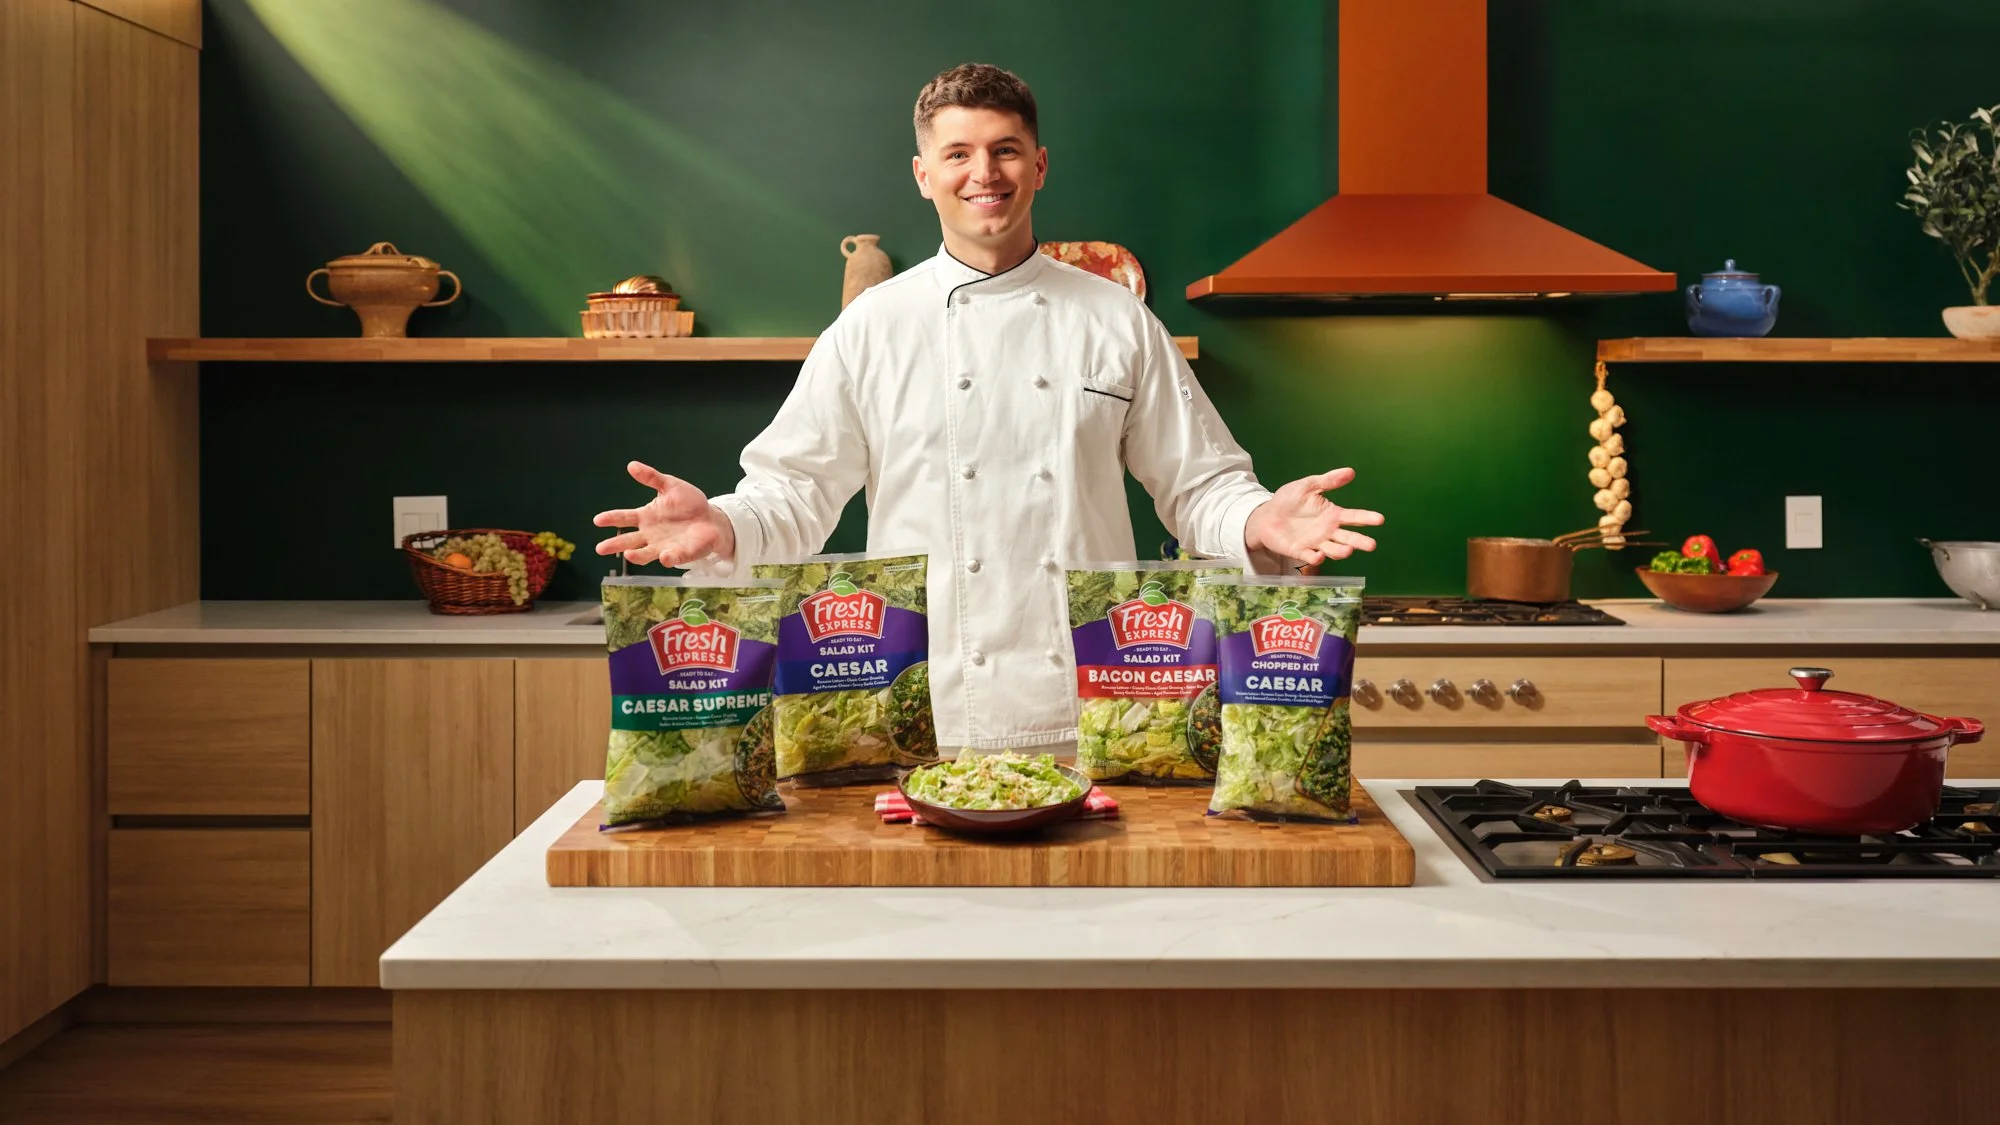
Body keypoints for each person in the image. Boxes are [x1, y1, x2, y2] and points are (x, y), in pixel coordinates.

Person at [593, 62, 1384, 749]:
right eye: (959, 153)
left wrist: (1259, 522)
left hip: (1098, 707)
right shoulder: (874, 325)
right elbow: (796, 489)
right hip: (917, 706)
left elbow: (1200, 484)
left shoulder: (1116, 318)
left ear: (1040, 166)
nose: (986, 173)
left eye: (1006, 150)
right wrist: (723, 524)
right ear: (922, 173)